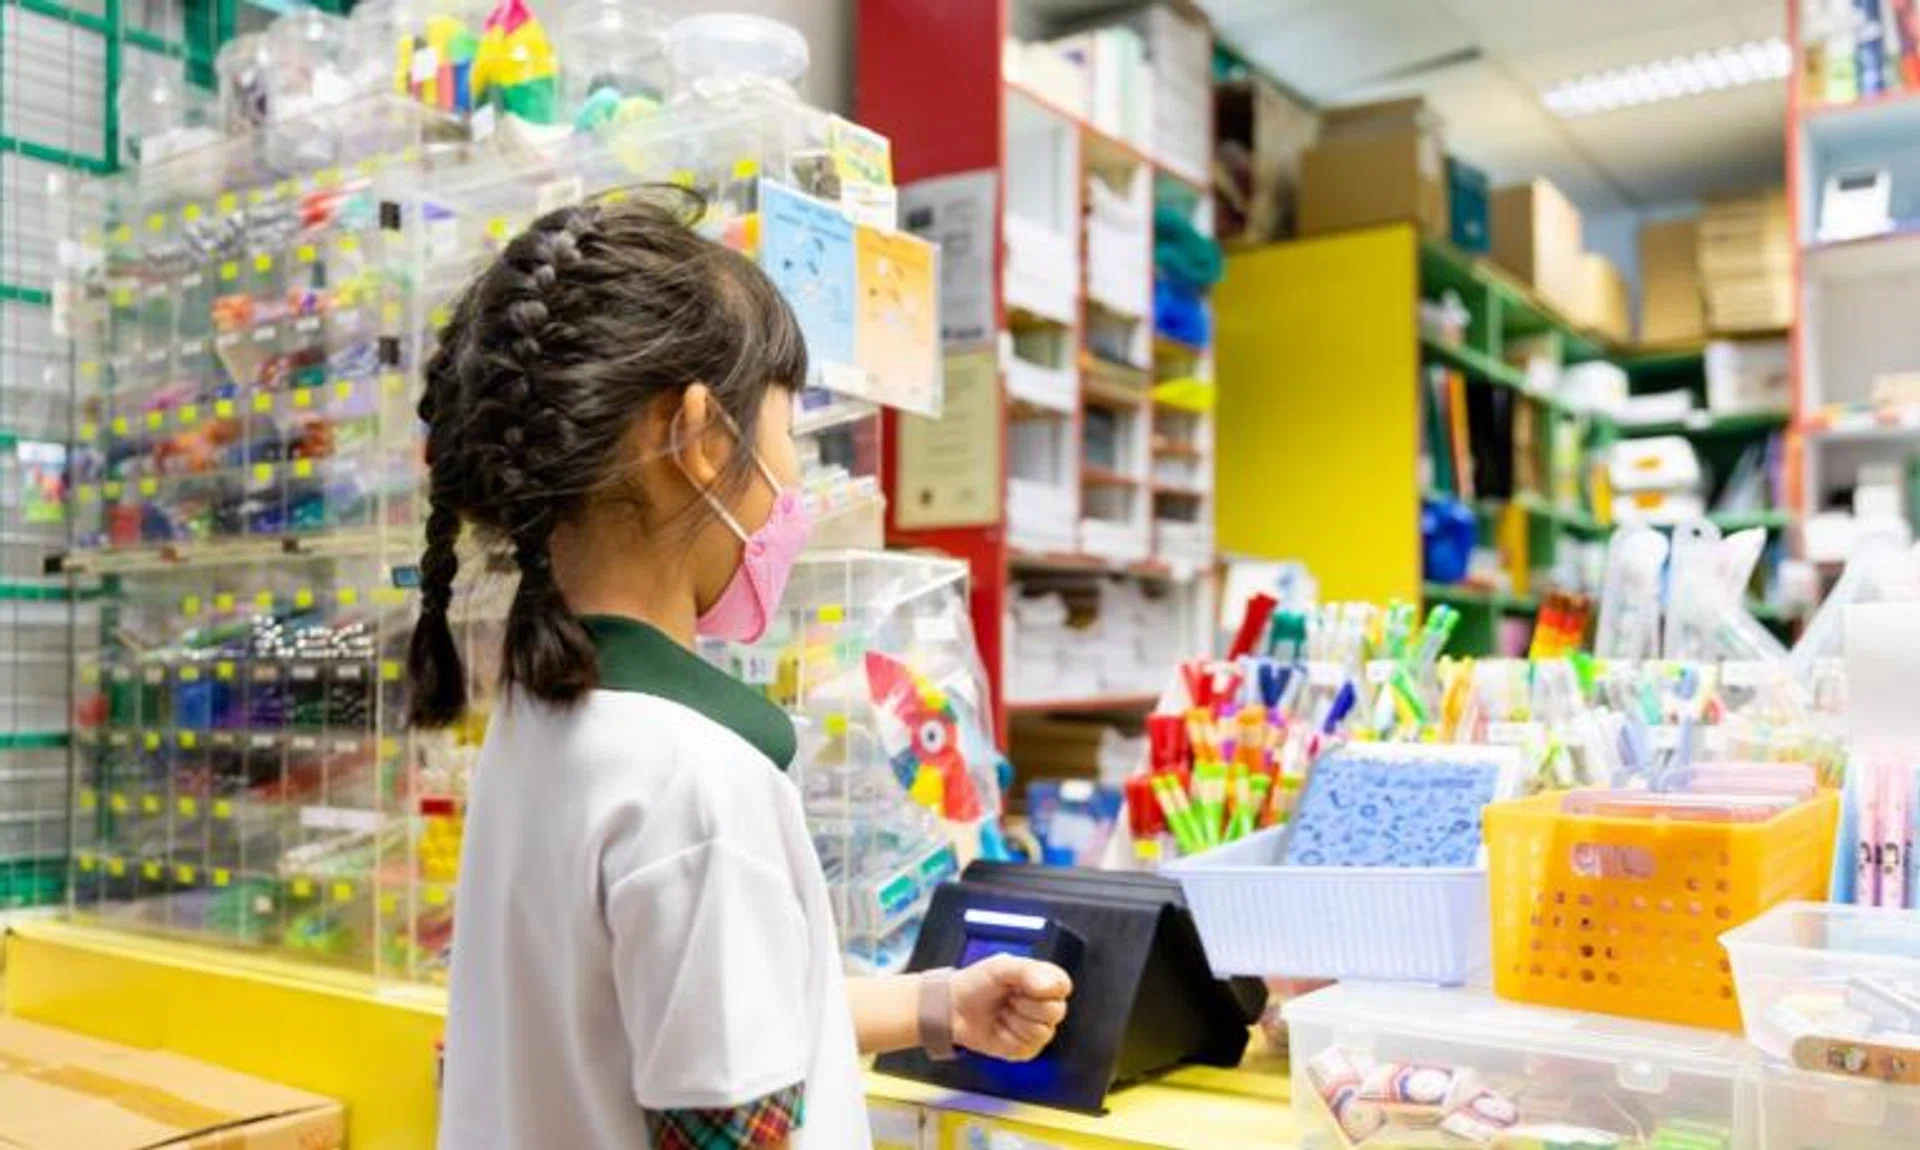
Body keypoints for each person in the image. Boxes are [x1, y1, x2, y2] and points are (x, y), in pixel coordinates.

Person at [414, 189, 1072, 1150]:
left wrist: (938, 1006)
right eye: (788, 437)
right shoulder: (696, 784)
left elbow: (690, 1033)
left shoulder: (546, 718)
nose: (795, 486)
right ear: (698, 437)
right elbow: (725, 1117)